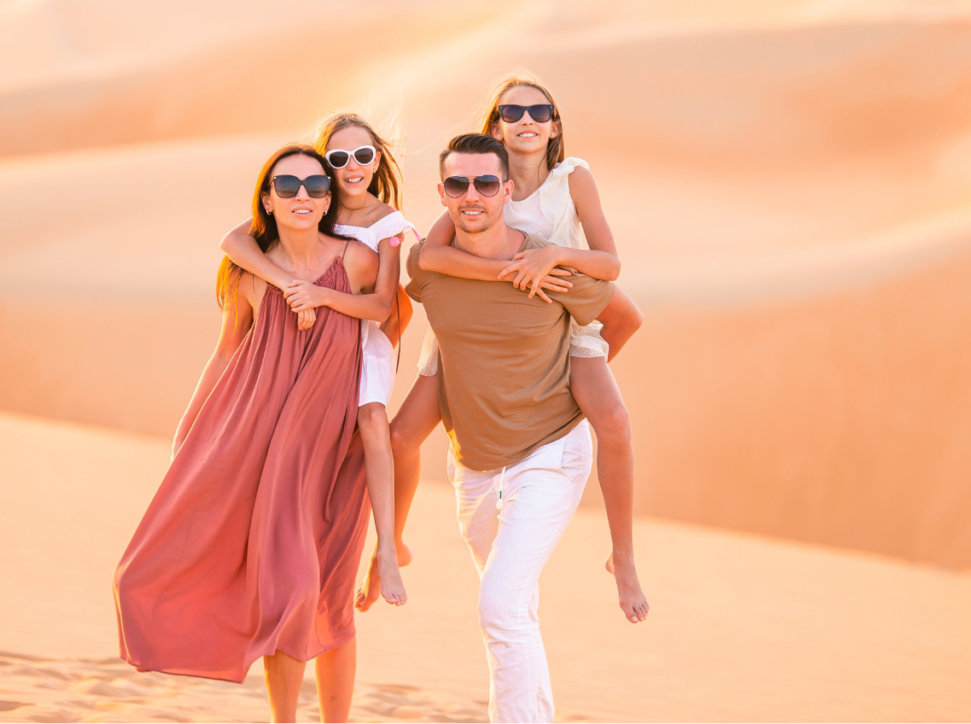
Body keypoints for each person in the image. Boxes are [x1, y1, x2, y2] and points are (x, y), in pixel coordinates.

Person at [359, 75, 649, 627]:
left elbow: (611, 267)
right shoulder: (478, 177)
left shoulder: (573, 178)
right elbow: (430, 257)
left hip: (556, 320)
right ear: (494, 126)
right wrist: (503, 272)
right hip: (468, 331)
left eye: (540, 111)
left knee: (612, 417)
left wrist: (550, 263)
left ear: (555, 126)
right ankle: (390, 544)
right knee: (399, 437)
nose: (526, 120)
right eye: (511, 111)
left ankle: (624, 557)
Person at [113, 144, 381, 723]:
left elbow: (387, 329)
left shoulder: (359, 262)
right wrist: (189, 432)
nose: (303, 196)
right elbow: (226, 353)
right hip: (256, 439)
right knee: (284, 589)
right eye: (287, 187)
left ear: (330, 196)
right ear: (267, 198)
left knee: (321, 595)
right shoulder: (247, 273)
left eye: (315, 186)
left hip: (333, 445)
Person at [404, 133, 626, 722]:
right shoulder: (428, 268)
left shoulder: (551, 264)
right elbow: (414, 270)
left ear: (508, 189)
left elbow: (622, 317)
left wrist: (574, 388)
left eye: (485, 183)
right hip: (473, 465)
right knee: (514, 611)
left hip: (549, 454)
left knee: (500, 607)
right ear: (442, 193)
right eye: (458, 183)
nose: (471, 195)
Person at [220, 113, 416, 607]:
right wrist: (291, 286)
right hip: (307, 336)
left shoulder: (388, 225)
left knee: (372, 421)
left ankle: (387, 551)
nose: (352, 167)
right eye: (339, 158)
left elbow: (380, 306)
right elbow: (234, 241)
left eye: (364, 156)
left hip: (364, 336)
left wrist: (321, 297)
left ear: (377, 161)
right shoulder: (313, 204)